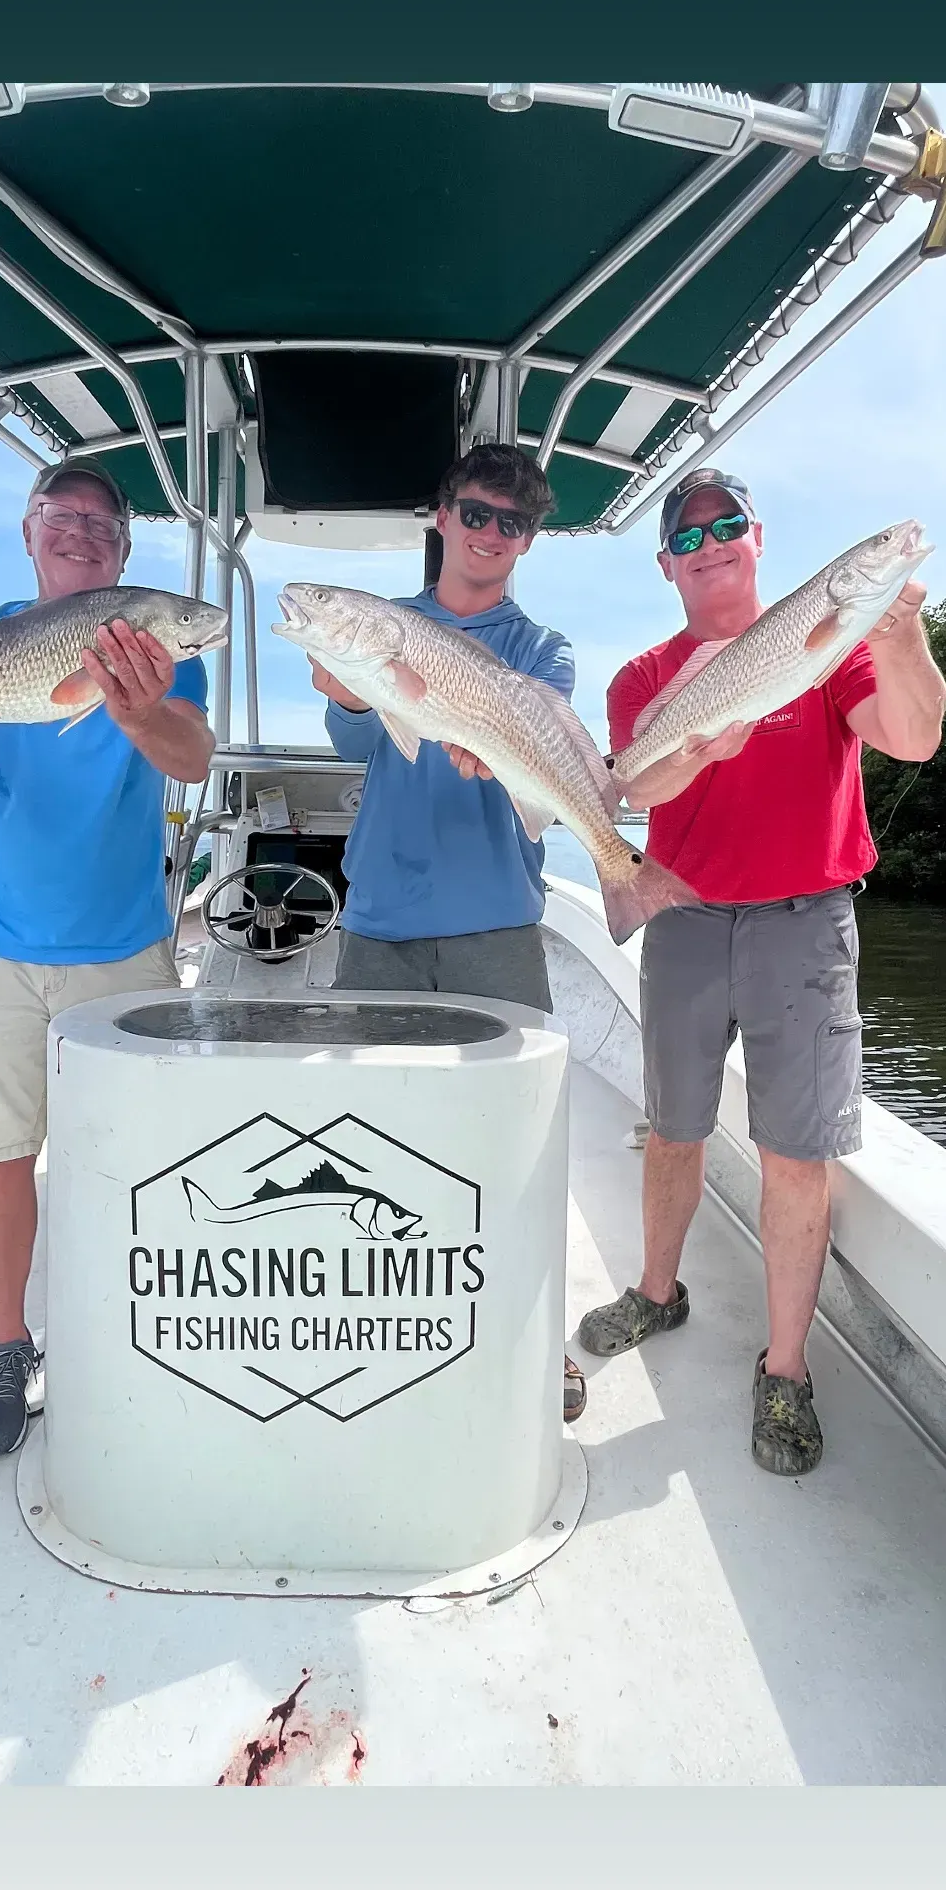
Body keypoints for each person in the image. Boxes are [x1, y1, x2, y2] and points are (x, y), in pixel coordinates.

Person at [577, 467, 946, 1473]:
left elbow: (915, 738)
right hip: (687, 921)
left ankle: (785, 1367)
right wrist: (703, 746)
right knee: (674, 1127)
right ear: (667, 564)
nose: (710, 543)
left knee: (796, 1152)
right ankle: (658, 1291)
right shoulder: (643, 675)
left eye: (726, 525)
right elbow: (634, 786)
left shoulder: (830, 648)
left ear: (759, 538)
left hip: (804, 923)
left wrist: (901, 628)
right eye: (689, 535)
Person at [0, 456, 215, 1458]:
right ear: (27, 532)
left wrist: (139, 706)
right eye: (58, 516)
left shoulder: (157, 646)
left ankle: (124, 1334)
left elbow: (192, 755)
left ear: (123, 552)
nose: (79, 532)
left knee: (135, 1158)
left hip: (124, 945)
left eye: (101, 525)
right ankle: (5, 1342)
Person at [309, 440, 588, 1420]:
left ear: (528, 538)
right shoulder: (380, 629)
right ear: (444, 515)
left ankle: (536, 1330)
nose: (491, 534)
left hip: (496, 924)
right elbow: (356, 737)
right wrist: (347, 687)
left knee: (519, 1141)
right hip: (382, 914)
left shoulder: (540, 647)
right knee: (369, 1135)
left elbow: (545, 733)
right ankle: (385, 1317)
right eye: (476, 512)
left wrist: (514, 756)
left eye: (512, 522)